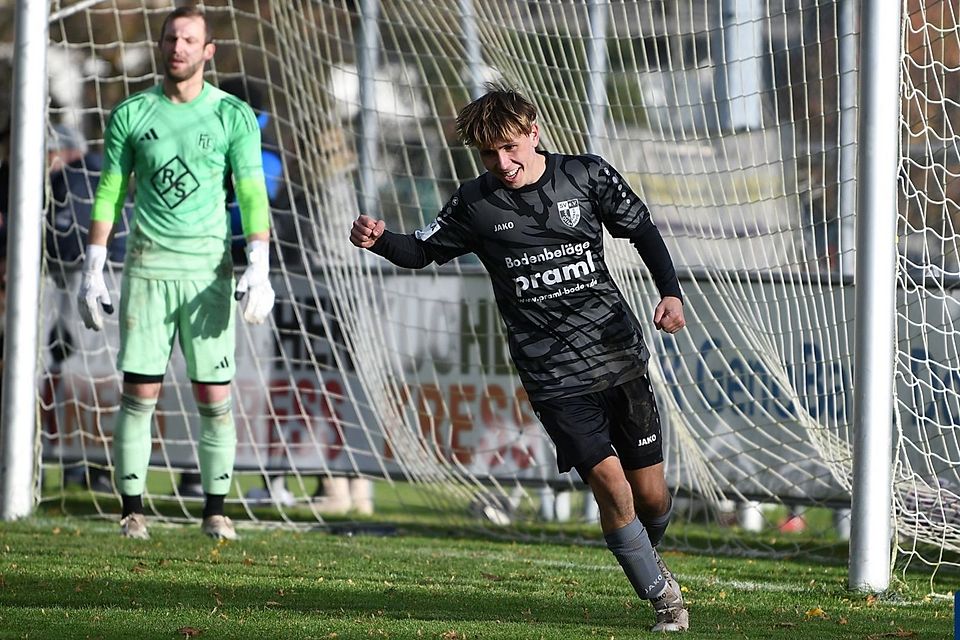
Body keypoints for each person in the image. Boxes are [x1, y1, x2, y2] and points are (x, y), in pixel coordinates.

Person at [350, 84, 689, 632]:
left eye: (509, 147)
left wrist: (669, 291)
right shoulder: (475, 203)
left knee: (650, 497)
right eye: (489, 154)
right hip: (551, 372)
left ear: (534, 131)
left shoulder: (586, 176)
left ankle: (646, 555)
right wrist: (381, 239)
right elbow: (421, 250)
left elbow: (641, 228)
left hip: (616, 354)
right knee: (610, 485)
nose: (502, 162)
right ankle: (662, 598)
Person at [77, 6, 275, 541]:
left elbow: (253, 192)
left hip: (208, 275)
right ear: (162, 45)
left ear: (208, 51)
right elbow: (110, 193)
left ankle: (216, 510)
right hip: (145, 271)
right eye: (171, 38)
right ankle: (132, 511)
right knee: (139, 396)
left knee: (214, 398)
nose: (178, 46)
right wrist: (93, 267)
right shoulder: (131, 114)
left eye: (190, 39)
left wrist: (259, 264)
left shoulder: (232, 115)